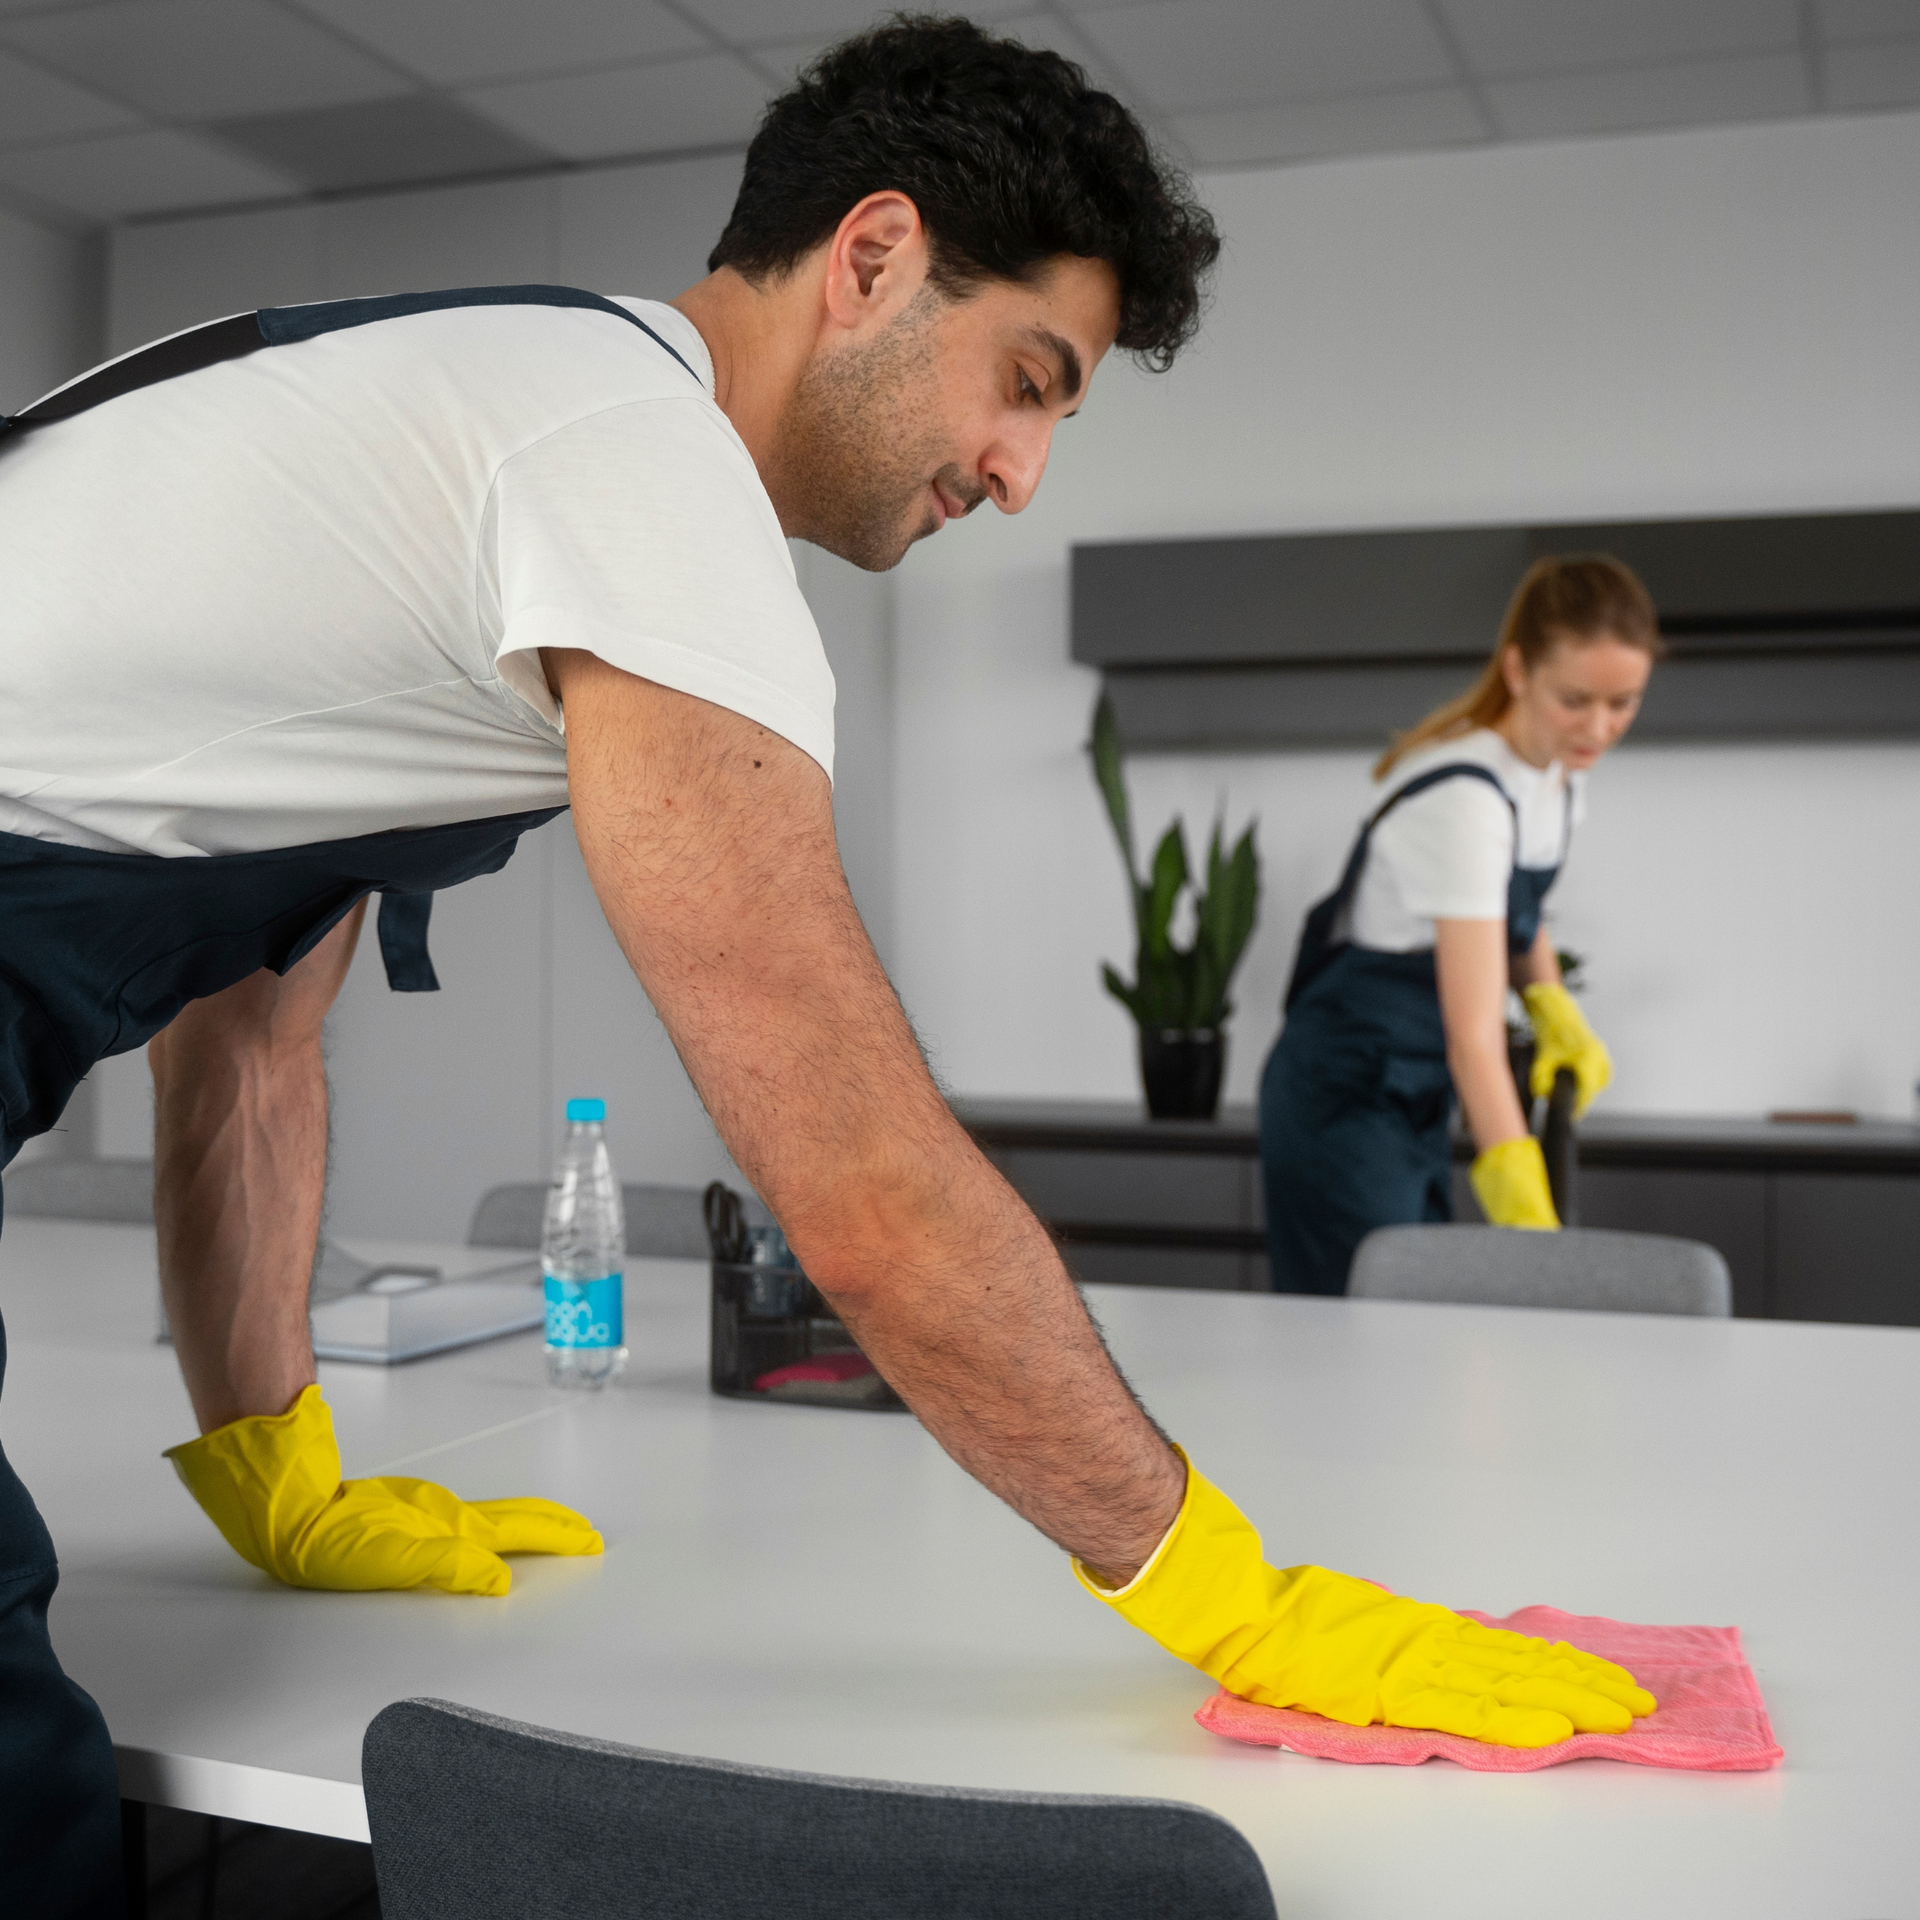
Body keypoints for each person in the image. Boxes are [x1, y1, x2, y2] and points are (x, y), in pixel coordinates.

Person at [0, 23, 1654, 1913]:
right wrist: (1230, 1594)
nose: (1021, 474)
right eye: (1026, 382)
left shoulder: (507, 401)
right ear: (871, 257)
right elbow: (857, 1188)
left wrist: (272, 1461)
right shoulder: (638, 468)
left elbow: (248, 1045)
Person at [1259, 555, 1661, 1295]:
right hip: (1344, 1096)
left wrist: (1553, 1005)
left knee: (1414, 1317)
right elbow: (1474, 1038)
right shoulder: (1466, 800)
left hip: (1417, 1091)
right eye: (1576, 700)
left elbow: (1516, 914)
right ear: (1518, 670)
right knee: (1356, 1325)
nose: (1599, 728)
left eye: (1623, 702)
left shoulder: (1556, 778)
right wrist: (1525, 1209)